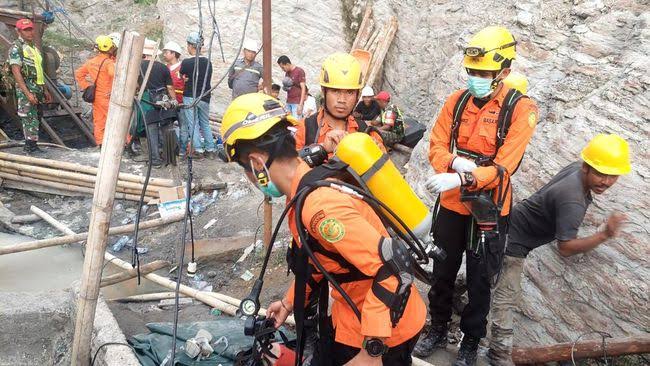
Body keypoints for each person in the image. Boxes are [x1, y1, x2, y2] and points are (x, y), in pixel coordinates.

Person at [220, 92, 426, 365]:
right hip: (350, 315)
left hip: (385, 331)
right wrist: (288, 303)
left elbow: (392, 267)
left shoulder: (319, 208)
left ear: (258, 164)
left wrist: (371, 351)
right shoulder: (305, 189)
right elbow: (321, 262)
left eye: (246, 169)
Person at [415, 26, 538, 366]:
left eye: (484, 73)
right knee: (442, 269)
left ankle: (471, 339)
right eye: (472, 71)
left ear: (505, 72)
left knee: (481, 279)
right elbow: (437, 143)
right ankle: (437, 326)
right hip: (453, 205)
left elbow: (504, 167)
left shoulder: (521, 109)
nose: (476, 78)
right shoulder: (456, 102)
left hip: (490, 208)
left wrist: (462, 178)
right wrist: (452, 161)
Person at [487, 134, 631, 365]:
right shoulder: (572, 199)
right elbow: (565, 248)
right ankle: (499, 354)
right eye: (600, 173)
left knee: (491, 277)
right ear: (586, 167)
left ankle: (472, 283)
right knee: (506, 296)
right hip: (512, 241)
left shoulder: (577, 171)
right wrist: (604, 234)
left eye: (612, 175)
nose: (605, 181)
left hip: (512, 224)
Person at [294, 52, 385, 157]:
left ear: (357, 95)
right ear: (324, 91)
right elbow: (286, 167)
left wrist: (375, 156)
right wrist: (321, 148)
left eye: (350, 92)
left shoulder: (366, 133)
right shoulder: (304, 129)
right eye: (335, 91)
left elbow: (386, 171)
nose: (342, 100)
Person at [9, 19, 52, 153]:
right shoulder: (16, 48)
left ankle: (33, 144)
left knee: (37, 116)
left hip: (37, 87)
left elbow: (40, 71)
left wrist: (45, 90)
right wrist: (27, 93)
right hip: (26, 88)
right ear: (19, 31)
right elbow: (16, 72)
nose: (30, 32)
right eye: (26, 30)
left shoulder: (34, 48)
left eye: (31, 29)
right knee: (29, 117)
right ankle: (29, 147)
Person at [137, 39, 177, 167]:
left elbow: (136, 85)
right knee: (166, 130)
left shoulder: (138, 66)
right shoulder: (163, 67)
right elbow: (170, 87)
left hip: (148, 101)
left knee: (152, 131)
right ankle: (168, 158)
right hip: (163, 100)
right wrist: (174, 99)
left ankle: (155, 160)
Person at [180, 31, 216, 160]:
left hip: (190, 96)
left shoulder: (186, 63)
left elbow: (183, 76)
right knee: (205, 123)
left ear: (191, 46)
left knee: (193, 123)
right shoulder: (208, 62)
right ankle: (210, 149)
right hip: (205, 96)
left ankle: (199, 150)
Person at [75, 34, 116, 146]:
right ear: (109, 48)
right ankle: (127, 143)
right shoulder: (109, 63)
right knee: (115, 120)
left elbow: (79, 74)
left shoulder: (91, 62)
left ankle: (101, 143)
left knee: (99, 120)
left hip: (96, 96)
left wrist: (87, 87)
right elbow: (114, 75)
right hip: (107, 96)